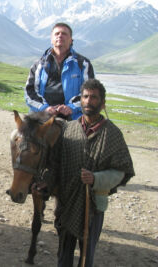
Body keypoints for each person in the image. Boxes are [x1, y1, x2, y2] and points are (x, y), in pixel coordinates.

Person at [42, 79, 134, 267]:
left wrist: (96, 179)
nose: (88, 101)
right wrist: (45, 183)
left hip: (93, 205)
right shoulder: (68, 130)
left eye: (94, 97)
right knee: (64, 253)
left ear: (102, 103)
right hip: (67, 202)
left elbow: (122, 172)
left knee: (87, 254)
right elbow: (55, 165)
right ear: (80, 100)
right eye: (85, 96)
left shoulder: (113, 134)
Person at [25, 22, 95, 120]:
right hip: (42, 115)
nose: (60, 36)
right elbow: (30, 92)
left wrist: (71, 107)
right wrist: (44, 108)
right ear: (51, 39)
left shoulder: (83, 64)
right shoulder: (38, 65)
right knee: (19, 134)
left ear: (71, 40)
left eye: (64, 34)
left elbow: (90, 92)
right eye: (57, 34)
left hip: (73, 117)